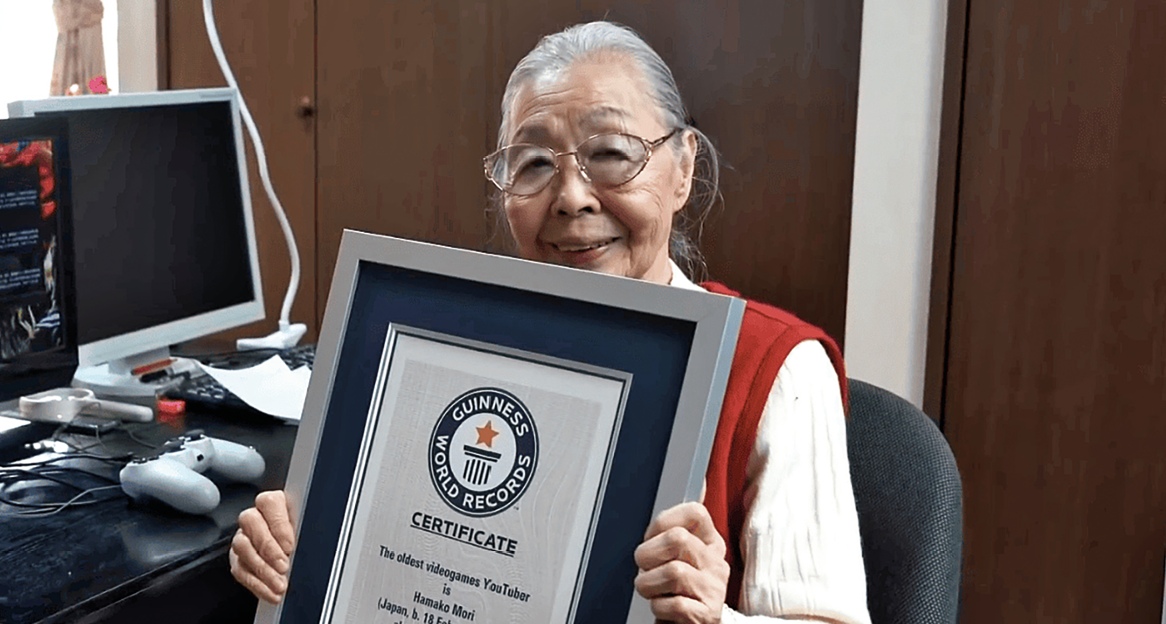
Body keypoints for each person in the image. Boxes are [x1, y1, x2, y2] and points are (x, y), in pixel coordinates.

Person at [230, 21, 871, 624]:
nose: (570, 196)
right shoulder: (432, 351)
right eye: (534, 164)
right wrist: (295, 546)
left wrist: (713, 615)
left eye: (613, 154)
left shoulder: (776, 370)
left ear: (684, 170)